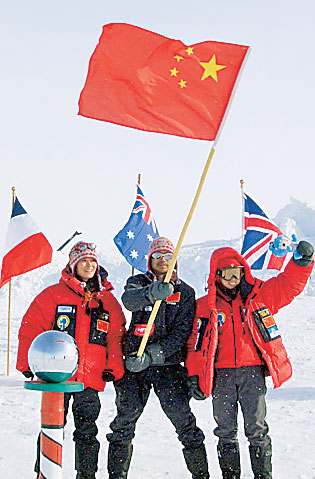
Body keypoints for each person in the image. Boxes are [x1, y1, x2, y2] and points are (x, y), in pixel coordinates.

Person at [185, 241, 314, 479]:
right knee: (225, 431)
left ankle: (263, 475)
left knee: (257, 430)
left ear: (243, 272)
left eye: (237, 273)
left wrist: (301, 263)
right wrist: (193, 374)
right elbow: (194, 345)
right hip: (221, 377)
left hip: (252, 374)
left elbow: (287, 286)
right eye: (226, 274)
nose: (232, 279)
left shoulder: (258, 296)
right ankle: (230, 475)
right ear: (216, 275)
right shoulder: (205, 306)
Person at [16, 241, 126, 479]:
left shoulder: (107, 301)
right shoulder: (52, 296)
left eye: (93, 261)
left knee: (87, 431)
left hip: (90, 378)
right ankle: (44, 472)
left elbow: (115, 336)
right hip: (56, 378)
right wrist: (27, 363)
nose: (89, 265)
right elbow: (31, 327)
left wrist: (113, 367)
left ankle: (86, 474)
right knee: (51, 428)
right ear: (73, 265)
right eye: (84, 261)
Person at [106, 237, 210, 479]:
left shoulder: (185, 291)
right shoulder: (136, 282)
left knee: (184, 422)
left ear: (174, 259)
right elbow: (128, 301)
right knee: (124, 422)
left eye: (167, 256)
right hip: (134, 364)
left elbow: (182, 332)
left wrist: (154, 354)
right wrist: (151, 293)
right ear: (149, 260)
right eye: (157, 256)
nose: (162, 260)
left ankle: (201, 474)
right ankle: (116, 475)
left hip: (169, 367)